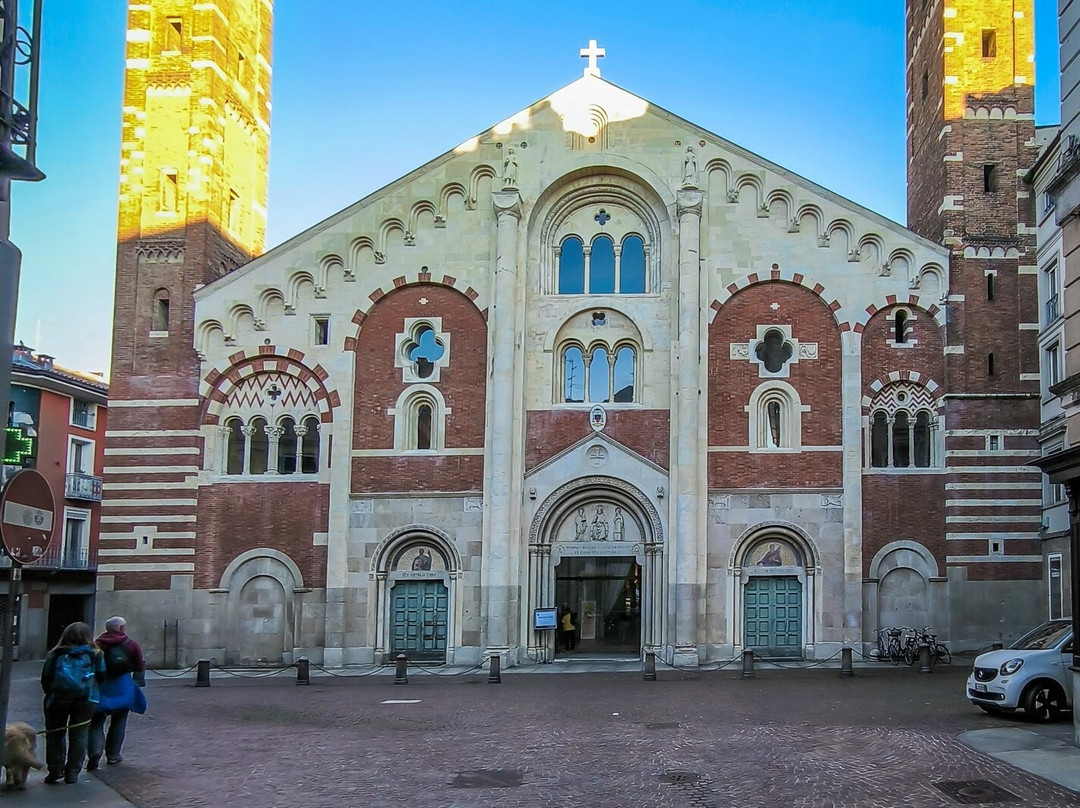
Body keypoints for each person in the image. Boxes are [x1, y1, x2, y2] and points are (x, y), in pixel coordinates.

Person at [40, 622, 105, 784]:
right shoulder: (95, 654)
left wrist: (52, 692)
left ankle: (55, 770)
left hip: (57, 700)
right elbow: (101, 676)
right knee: (79, 735)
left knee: (55, 734)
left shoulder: (56, 654)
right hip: (86, 700)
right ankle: (73, 772)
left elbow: (46, 677)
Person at [88, 616, 147, 770]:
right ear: (121, 628)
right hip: (122, 687)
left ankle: (95, 752)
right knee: (119, 721)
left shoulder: (97, 644)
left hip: (100, 687)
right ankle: (113, 755)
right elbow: (140, 666)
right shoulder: (131, 644)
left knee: (96, 722)